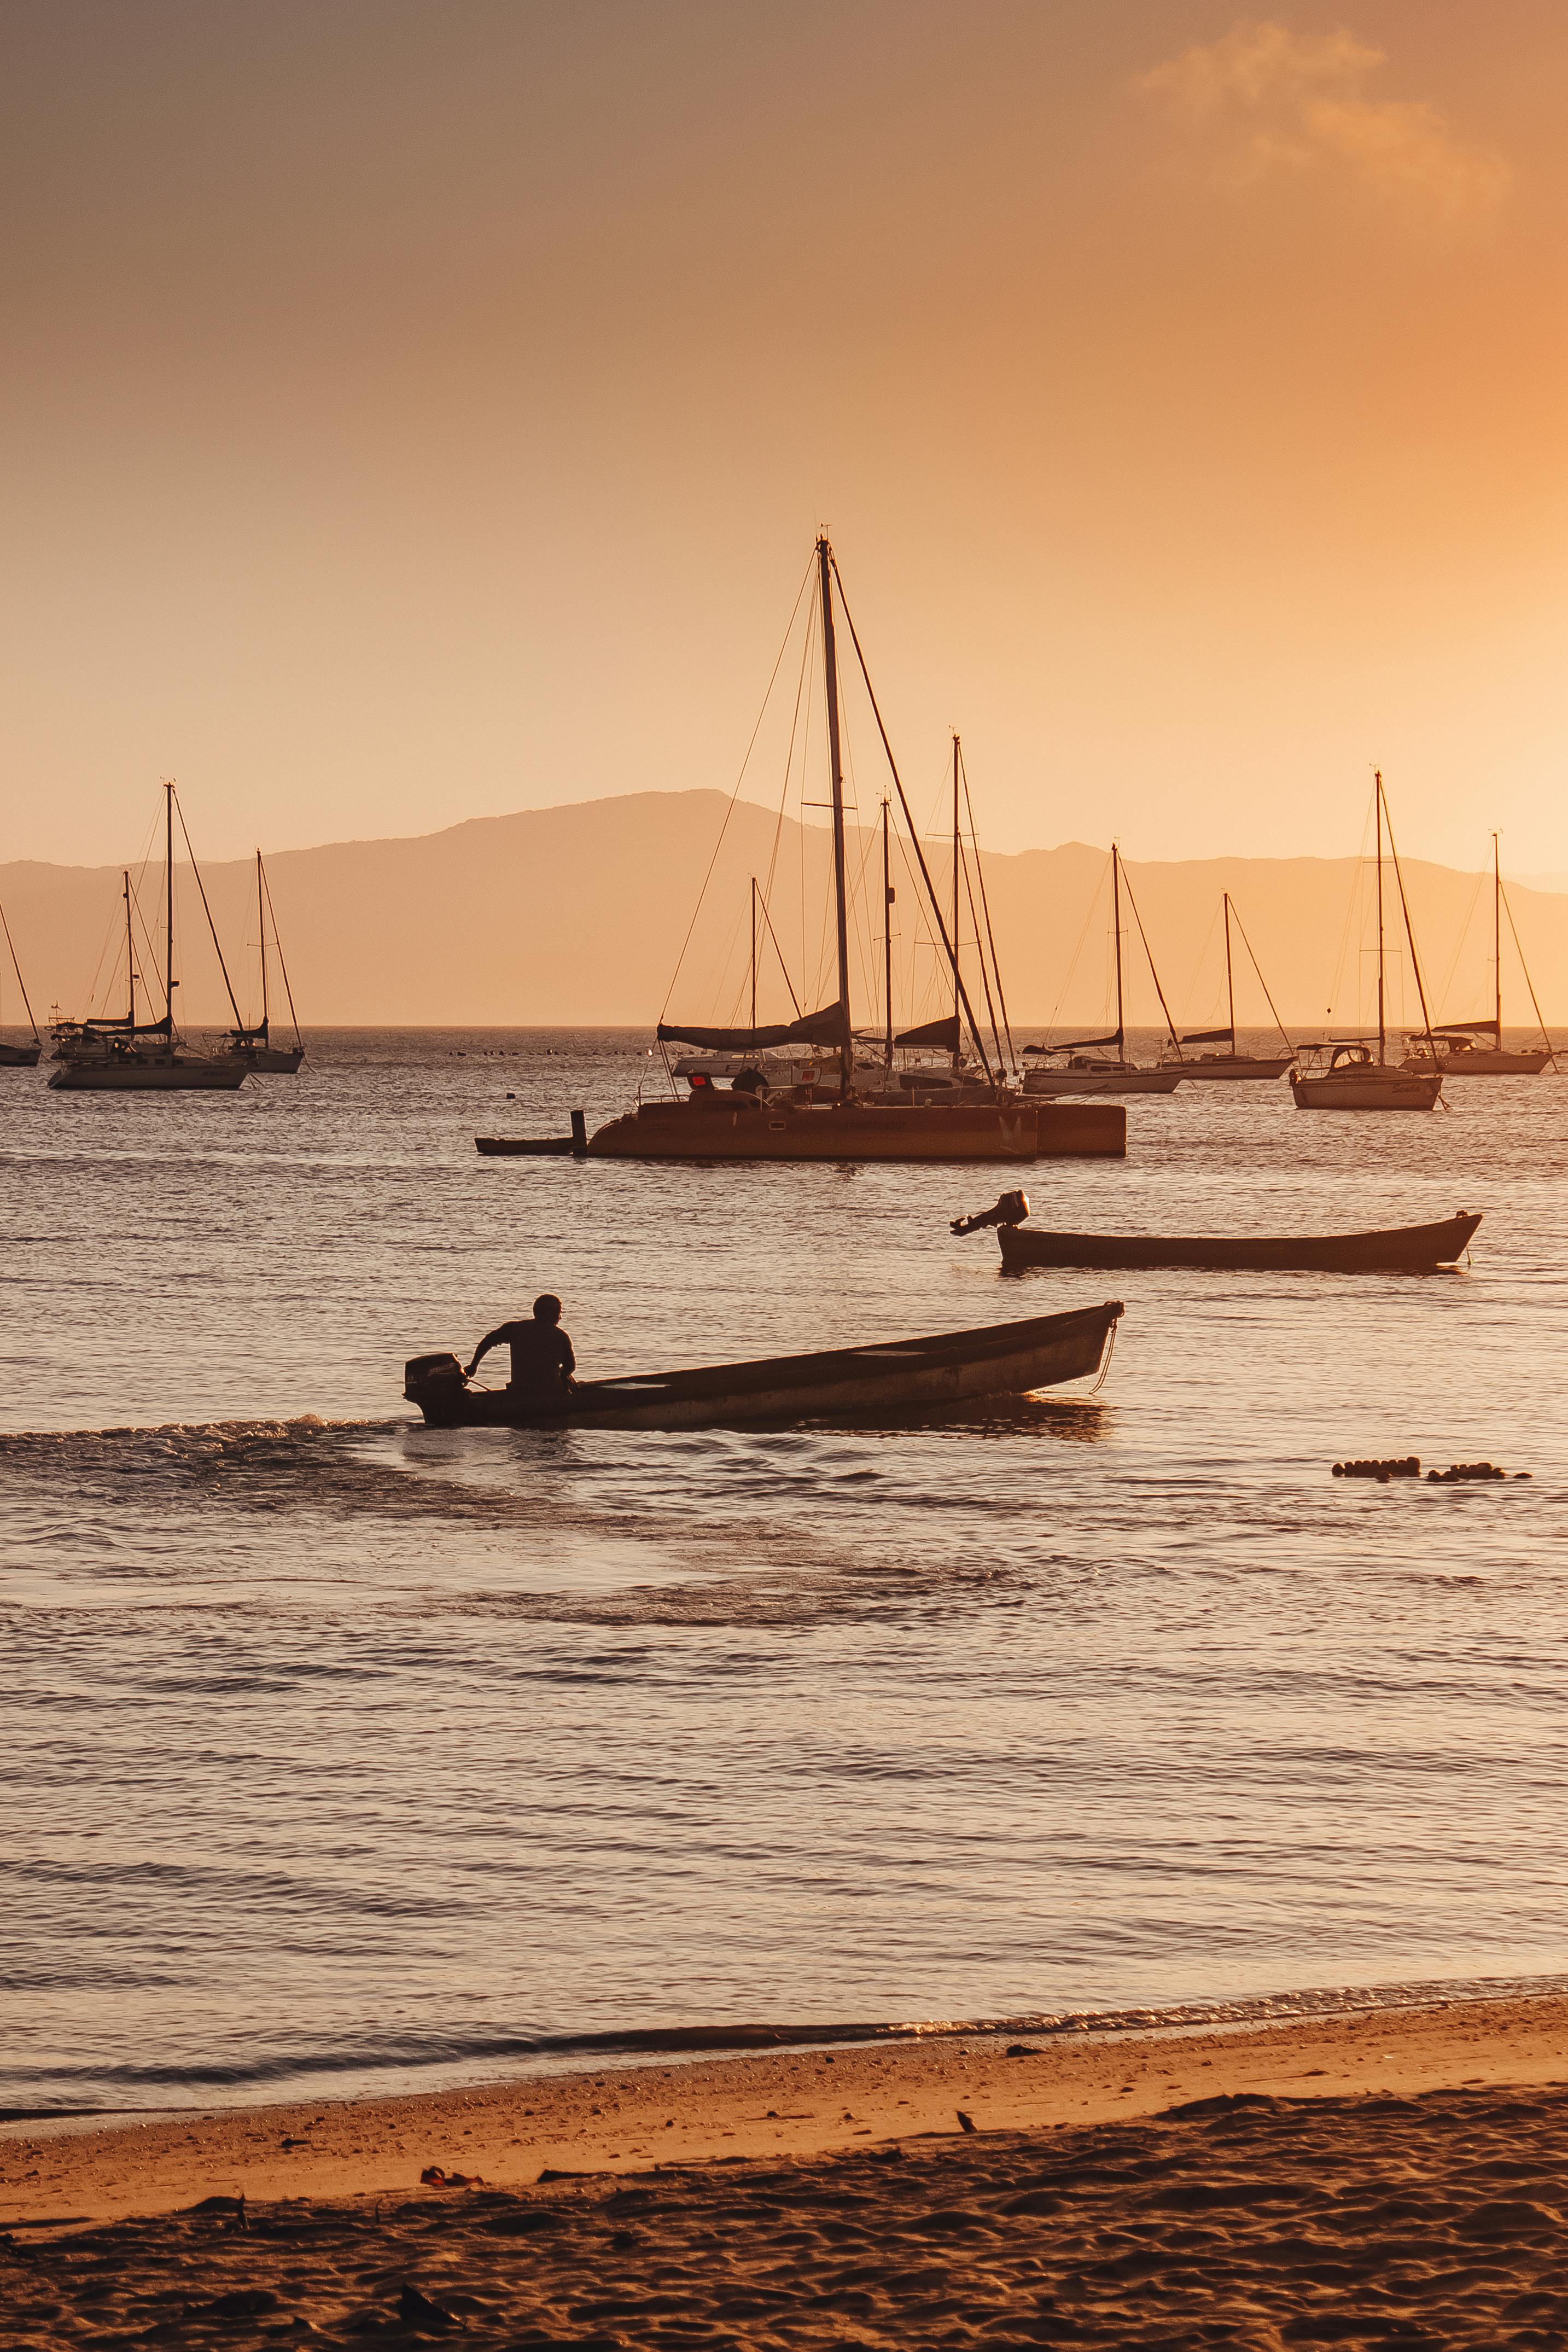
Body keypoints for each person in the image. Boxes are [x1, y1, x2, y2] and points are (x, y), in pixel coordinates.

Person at [465, 1295, 576, 1405]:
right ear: (551, 1314)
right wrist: (559, 1374)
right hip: (550, 1393)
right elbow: (570, 1367)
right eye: (559, 1313)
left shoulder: (513, 1328)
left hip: (519, 1391)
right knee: (569, 1380)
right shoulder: (561, 1336)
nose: (560, 1318)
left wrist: (473, 1366)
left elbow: (487, 1342)